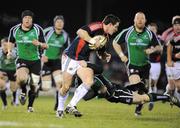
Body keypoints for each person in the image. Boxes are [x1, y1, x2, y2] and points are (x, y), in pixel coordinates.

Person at [56, 14, 120, 118]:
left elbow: (100, 52)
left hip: (83, 61)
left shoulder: (106, 37)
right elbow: (80, 32)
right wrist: (92, 41)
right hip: (71, 57)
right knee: (66, 87)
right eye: (116, 26)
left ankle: (71, 105)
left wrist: (105, 55)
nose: (116, 29)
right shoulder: (97, 26)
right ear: (109, 24)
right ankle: (59, 109)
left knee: (89, 81)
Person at [112, 12, 161, 116]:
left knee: (144, 90)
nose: (139, 20)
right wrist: (121, 55)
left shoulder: (149, 33)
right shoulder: (128, 32)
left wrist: (152, 50)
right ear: (134, 20)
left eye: (142, 18)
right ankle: (131, 98)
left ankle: (138, 107)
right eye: (137, 18)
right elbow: (115, 42)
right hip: (132, 65)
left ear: (145, 21)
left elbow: (159, 47)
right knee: (138, 86)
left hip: (145, 66)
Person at [7, 10, 48, 112]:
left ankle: (30, 106)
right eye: (25, 18)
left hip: (36, 61)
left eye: (29, 18)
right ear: (22, 19)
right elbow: (11, 42)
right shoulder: (15, 29)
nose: (27, 20)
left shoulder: (38, 29)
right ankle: (24, 90)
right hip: (22, 59)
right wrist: (9, 51)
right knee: (21, 79)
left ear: (32, 20)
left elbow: (46, 46)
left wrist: (39, 43)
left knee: (34, 85)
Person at [41, 15, 70, 111]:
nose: (60, 23)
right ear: (54, 23)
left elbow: (68, 50)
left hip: (57, 62)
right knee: (46, 87)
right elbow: (37, 41)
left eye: (61, 22)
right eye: (58, 21)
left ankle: (58, 104)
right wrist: (41, 55)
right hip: (46, 61)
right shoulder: (47, 31)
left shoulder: (65, 35)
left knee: (60, 83)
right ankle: (36, 87)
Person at [161, 16, 180, 99]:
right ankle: (169, 92)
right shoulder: (167, 34)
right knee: (172, 87)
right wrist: (174, 56)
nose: (177, 26)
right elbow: (163, 52)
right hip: (171, 62)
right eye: (175, 24)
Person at [147, 23, 163, 110]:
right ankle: (148, 100)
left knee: (153, 84)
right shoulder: (146, 39)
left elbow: (160, 50)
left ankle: (152, 100)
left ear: (156, 30)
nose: (152, 31)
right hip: (146, 63)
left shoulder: (159, 39)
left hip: (156, 64)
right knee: (147, 84)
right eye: (150, 29)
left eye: (153, 29)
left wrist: (152, 50)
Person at [0, 37, 18, 109]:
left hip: (13, 70)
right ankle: (5, 104)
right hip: (2, 69)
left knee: (13, 88)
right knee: (1, 85)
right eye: (3, 45)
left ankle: (14, 99)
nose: (5, 47)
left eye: (6, 45)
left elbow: (20, 61)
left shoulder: (15, 51)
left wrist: (18, 71)